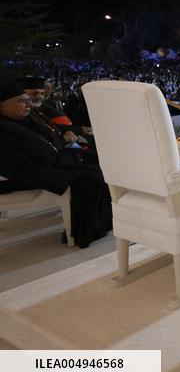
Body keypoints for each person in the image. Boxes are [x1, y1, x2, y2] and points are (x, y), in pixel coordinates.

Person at [0, 79, 112, 248]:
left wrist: (67, 157)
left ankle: (99, 222)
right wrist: (63, 167)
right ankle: (84, 231)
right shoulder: (3, 129)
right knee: (91, 175)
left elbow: (48, 140)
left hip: (50, 162)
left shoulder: (23, 118)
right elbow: (18, 165)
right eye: (22, 101)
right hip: (26, 175)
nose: (28, 105)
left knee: (98, 167)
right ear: (1, 105)